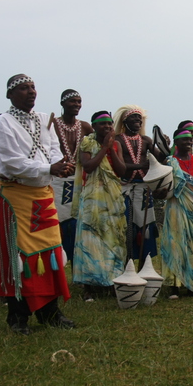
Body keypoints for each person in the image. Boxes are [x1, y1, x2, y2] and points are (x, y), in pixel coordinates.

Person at [0, 74, 76, 334]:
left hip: (43, 195)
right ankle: (17, 316)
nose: (31, 91)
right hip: (16, 195)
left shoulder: (43, 119)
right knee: (19, 256)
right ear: (9, 94)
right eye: (23, 88)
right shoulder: (3, 122)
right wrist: (49, 168)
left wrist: (60, 164)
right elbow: (12, 162)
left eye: (32, 87)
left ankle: (50, 313)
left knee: (50, 253)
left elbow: (53, 149)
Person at [71, 111, 127, 302]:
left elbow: (121, 170)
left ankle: (111, 281)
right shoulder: (87, 143)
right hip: (93, 198)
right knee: (91, 239)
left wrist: (111, 149)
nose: (107, 126)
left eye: (110, 123)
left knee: (113, 238)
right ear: (94, 126)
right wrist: (104, 148)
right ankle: (89, 286)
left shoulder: (116, 144)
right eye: (103, 123)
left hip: (112, 197)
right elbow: (88, 166)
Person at [159, 128, 193, 298]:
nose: (189, 142)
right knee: (175, 244)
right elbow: (163, 186)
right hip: (176, 206)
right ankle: (174, 287)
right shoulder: (169, 161)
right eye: (185, 140)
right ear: (176, 142)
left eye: (190, 139)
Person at [113, 105, 163, 262]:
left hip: (143, 189)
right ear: (124, 121)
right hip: (125, 188)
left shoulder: (146, 140)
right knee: (125, 225)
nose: (137, 120)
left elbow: (160, 159)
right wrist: (141, 165)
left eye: (139, 118)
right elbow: (120, 165)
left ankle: (144, 264)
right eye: (133, 117)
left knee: (145, 225)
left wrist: (164, 145)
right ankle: (125, 263)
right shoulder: (117, 140)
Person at [52, 89, 93, 263]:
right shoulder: (52, 124)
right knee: (57, 223)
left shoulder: (84, 126)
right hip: (56, 180)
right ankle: (58, 263)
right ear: (62, 103)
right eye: (72, 101)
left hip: (78, 181)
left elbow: (98, 142)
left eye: (79, 101)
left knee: (77, 222)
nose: (76, 104)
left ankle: (78, 264)